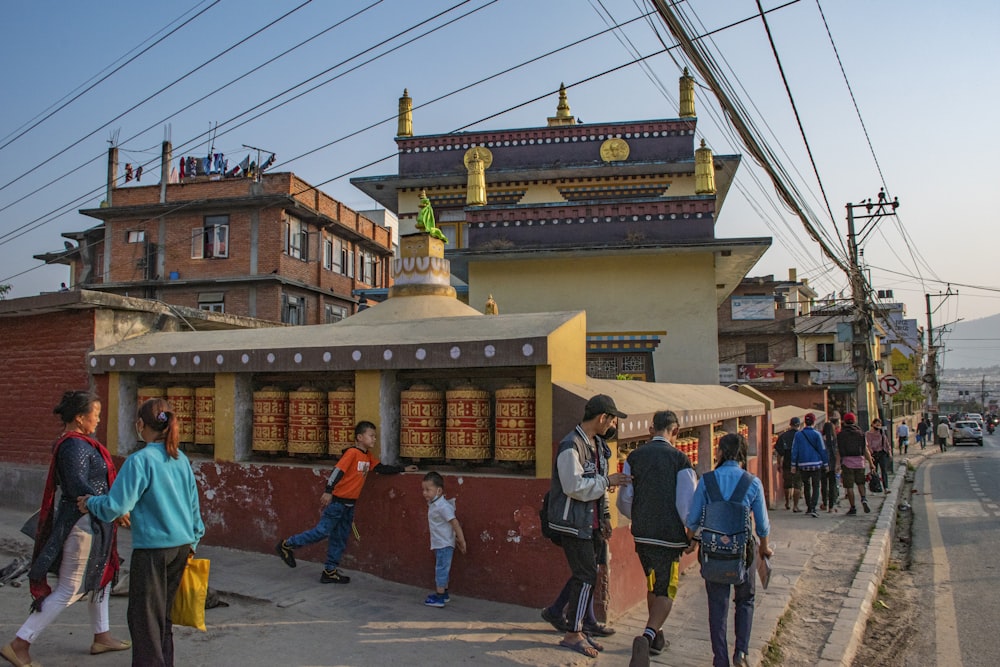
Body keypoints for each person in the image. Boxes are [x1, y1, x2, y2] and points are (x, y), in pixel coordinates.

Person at [3, 391, 130, 667]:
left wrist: (110, 509)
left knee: (103, 577)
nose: (98, 419)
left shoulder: (82, 442)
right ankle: (20, 643)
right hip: (82, 523)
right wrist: (113, 508)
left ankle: (102, 635)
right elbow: (76, 487)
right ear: (79, 417)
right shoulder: (73, 447)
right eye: (95, 413)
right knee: (69, 588)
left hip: (96, 520)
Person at [80, 397, 205, 667]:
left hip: (153, 551)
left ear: (140, 424)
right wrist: (195, 538)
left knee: (145, 620)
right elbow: (194, 506)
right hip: (182, 546)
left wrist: (90, 502)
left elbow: (117, 506)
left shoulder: (140, 460)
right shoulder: (180, 458)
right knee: (162, 618)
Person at [276, 421, 418, 583]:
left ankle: (330, 571)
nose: (374, 439)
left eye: (375, 437)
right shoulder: (351, 453)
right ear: (359, 437)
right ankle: (287, 544)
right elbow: (338, 470)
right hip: (337, 503)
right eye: (371, 436)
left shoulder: (367, 457)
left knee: (340, 537)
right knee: (322, 531)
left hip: (349, 505)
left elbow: (381, 469)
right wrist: (329, 490)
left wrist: (402, 469)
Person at [546, 394, 630, 659]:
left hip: (591, 521)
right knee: (585, 576)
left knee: (587, 572)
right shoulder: (571, 445)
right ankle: (573, 632)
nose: (613, 424)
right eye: (612, 418)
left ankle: (566, 617)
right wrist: (607, 482)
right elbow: (574, 486)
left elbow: (600, 483)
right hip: (573, 522)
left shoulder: (597, 445)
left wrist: (605, 516)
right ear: (602, 417)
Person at [617, 410, 697, 667]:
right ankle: (646, 636)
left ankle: (656, 635)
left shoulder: (634, 457)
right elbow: (686, 504)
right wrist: (692, 533)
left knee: (653, 582)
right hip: (669, 537)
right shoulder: (680, 460)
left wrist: (639, 518)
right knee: (667, 589)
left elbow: (625, 499)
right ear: (676, 432)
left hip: (642, 535)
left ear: (651, 429)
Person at [686, 434, 772, 667]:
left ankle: (720, 659)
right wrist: (764, 548)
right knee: (745, 600)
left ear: (721, 453)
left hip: (712, 551)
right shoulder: (752, 482)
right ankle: (741, 653)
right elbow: (762, 525)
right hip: (743, 551)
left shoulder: (707, 480)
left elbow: (692, 519)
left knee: (717, 605)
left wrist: (692, 540)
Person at [420, 472, 466, 607]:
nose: (425, 493)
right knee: (443, 568)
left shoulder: (443, 506)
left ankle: (439, 597)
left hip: (444, 544)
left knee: (441, 569)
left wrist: (461, 540)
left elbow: (455, 523)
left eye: (428, 490)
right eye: (423, 490)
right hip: (439, 543)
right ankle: (444, 593)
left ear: (439, 491)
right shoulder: (434, 504)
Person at [836, 413, 876, 515]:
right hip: (860, 462)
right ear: (854, 421)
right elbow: (865, 450)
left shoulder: (841, 435)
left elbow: (839, 451)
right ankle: (863, 499)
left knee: (849, 486)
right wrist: (871, 463)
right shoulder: (861, 433)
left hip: (847, 463)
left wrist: (837, 464)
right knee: (861, 483)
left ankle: (853, 507)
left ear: (844, 421)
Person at [790, 413, 827, 518]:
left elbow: (794, 450)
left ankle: (809, 507)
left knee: (806, 486)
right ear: (814, 422)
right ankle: (814, 507)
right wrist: (826, 463)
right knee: (816, 486)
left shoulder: (798, 435)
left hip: (803, 464)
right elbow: (822, 449)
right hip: (816, 464)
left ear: (805, 422)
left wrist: (793, 464)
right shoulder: (817, 434)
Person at [774, 418, 802, 512]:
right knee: (797, 484)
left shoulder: (783, 436)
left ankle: (787, 502)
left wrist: (778, 463)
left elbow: (779, 452)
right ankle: (795, 506)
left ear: (790, 425)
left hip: (787, 462)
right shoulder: (801, 436)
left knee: (787, 484)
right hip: (798, 463)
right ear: (799, 425)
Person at [820, 412, 841, 513]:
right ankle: (831, 507)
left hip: (823, 464)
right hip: (832, 464)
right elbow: (837, 452)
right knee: (832, 485)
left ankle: (824, 503)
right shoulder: (835, 440)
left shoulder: (821, 439)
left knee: (824, 485)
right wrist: (838, 464)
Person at [866, 418, 891, 495]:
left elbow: (886, 442)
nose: (878, 426)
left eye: (879, 425)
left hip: (882, 453)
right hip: (873, 454)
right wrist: (870, 455)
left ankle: (886, 488)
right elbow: (868, 445)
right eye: (876, 424)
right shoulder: (868, 434)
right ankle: (874, 488)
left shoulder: (881, 432)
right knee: (874, 471)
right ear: (872, 424)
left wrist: (889, 451)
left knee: (884, 471)